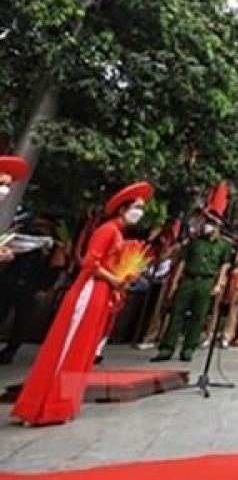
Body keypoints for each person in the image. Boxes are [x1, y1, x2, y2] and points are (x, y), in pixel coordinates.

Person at [12, 181, 152, 426]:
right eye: (137, 207)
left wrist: (120, 280)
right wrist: (114, 280)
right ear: (123, 209)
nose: (140, 213)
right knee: (70, 345)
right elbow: (90, 263)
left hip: (103, 292)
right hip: (90, 291)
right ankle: (44, 404)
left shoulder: (118, 234)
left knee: (84, 349)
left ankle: (63, 404)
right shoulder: (107, 230)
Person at [153, 197, 233, 363]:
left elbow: (224, 266)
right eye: (205, 222)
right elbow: (182, 262)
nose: (206, 225)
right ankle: (166, 348)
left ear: (218, 225)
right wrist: (175, 282)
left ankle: (188, 349)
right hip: (188, 279)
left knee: (199, 316)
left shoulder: (223, 246)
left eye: (210, 222)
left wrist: (219, 284)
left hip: (206, 281)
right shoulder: (194, 242)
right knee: (176, 313)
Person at [0, 214, 63, 364]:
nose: (41, 230)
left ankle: (10, 350)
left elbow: (55, 266)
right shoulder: (19, 238)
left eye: (44, 227)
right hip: (10, 281)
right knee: (2, 312)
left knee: (22, 320)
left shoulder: (53, 245)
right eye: (38, 226)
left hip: (31, 285)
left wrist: (46, 286)